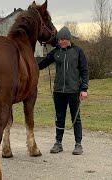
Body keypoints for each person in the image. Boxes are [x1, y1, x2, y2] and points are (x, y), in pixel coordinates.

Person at [38, 26, 89, 155]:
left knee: (75, 118)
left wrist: (84, 89)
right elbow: (42, 64)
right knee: (59, 117)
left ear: (68, 39)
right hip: (59, 91)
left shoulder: (78, 51)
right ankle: (58, 143)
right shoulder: (56, 52)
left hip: (73, 91)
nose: (59, 41)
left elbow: (84, 71)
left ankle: (78, 144)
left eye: (62, 39)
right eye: (58, 39)